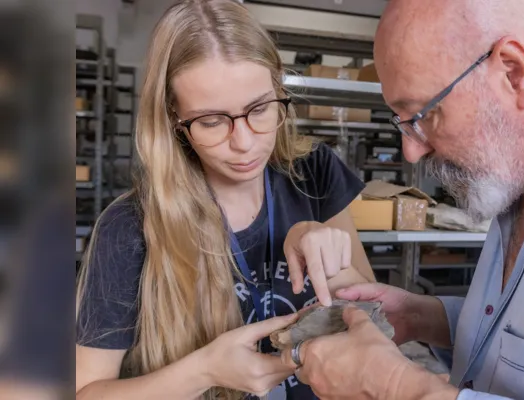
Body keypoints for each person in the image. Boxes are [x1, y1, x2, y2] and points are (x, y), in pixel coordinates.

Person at [282, 0, 524, 399]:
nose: (411, 152)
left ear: (513, 73)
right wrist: (423, 316)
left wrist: (396, 388)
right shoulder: (523, 170)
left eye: (423, 115)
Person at [75, 1, 374, 399]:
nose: (245, 143)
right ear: (173, 121)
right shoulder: (130, 226)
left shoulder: (313, 172)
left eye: (260, 109)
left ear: (279, 91)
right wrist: (203, 371)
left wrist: (321, 246)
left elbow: (372, 315)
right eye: (212, 121)